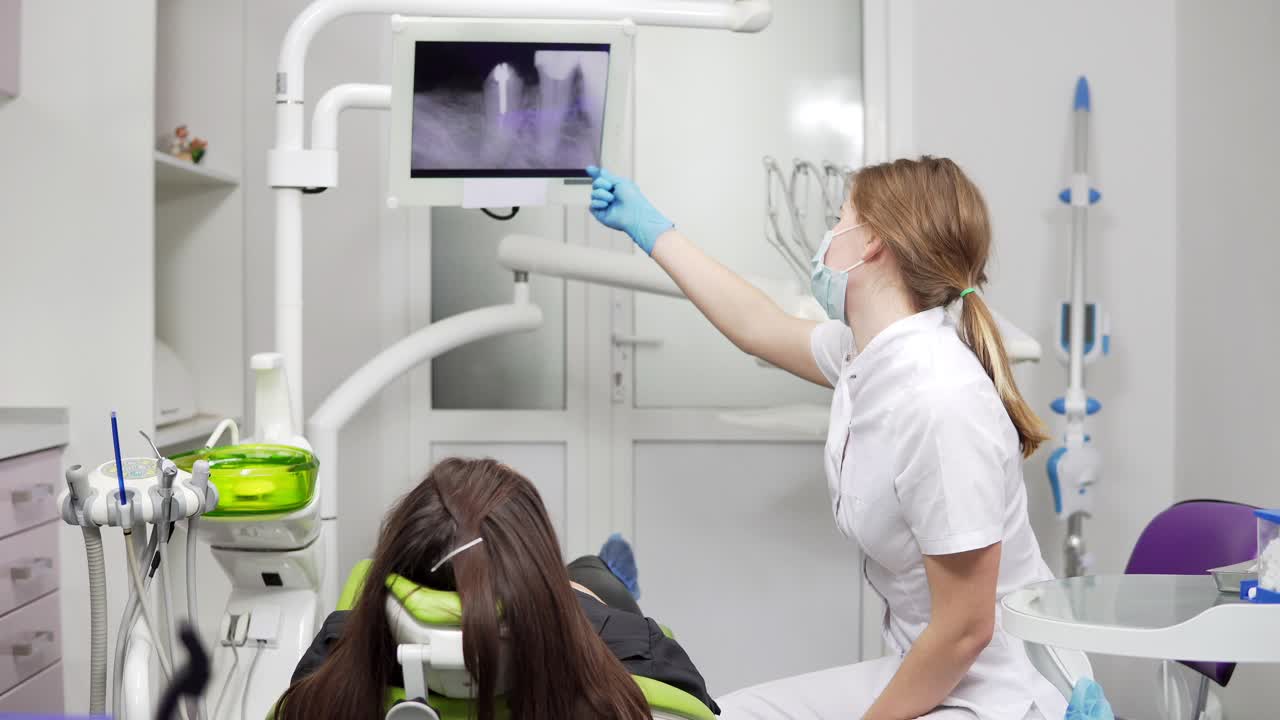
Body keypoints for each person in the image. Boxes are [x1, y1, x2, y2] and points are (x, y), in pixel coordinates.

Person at [585, 157, 1067, 720]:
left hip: (1000, 693)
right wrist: (651, 230)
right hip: (935, 673)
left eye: (839, 218)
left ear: (872, 244)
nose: (825, 238)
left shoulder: (941, 402)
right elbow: (757, 326)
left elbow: (966, 631)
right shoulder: (869, 353)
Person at [279, 457, 718, 720]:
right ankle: (592, 574)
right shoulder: (643, 670)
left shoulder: (317, 691)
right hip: (580, 611)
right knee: (595, 581)